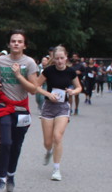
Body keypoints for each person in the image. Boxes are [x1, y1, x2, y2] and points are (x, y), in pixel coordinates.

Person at [0, 31, 40, 192]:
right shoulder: (0, 60)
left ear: (25, 45)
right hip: (4, 106)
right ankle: (1, 179)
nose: (16, 43)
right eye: (13, 41)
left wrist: (18, 75)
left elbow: (33, 89)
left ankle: (11, 175)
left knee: (16, 144)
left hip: (21, 109)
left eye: (19, 41)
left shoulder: (29, 63)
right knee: (6, 142)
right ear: (9, 44)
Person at [33, 46, 81, 181]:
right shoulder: (48, 71)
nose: (59, 61)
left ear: (66, 58)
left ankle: (56, 169)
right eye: (57, 58)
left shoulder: (71, 72)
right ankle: (49, 151)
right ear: (53, 59)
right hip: (48, 107)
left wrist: (73, 92)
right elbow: (35, 86)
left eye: (62, 58)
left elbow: (79, 87)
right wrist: (48, 94)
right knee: (48, 142)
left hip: (63, 107)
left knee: (57, 136)